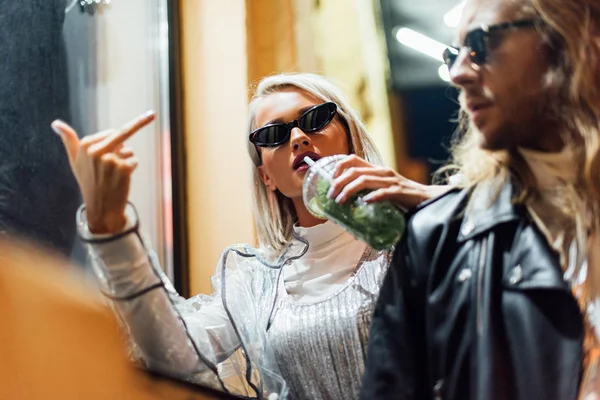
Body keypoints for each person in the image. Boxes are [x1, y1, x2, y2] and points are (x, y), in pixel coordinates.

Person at [51, 73, 441, 400]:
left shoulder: (415, 236)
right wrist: (110, 227)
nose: (299, 139)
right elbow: (174, 353)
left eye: (316, 118)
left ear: (350, 136)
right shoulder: (255, 282)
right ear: (266, 177)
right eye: (273, 134)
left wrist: (428, 200)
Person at [361, 0, 600, 399]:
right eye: (453, 54)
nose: (457, 74)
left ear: (569, 38)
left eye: (481, 42)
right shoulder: (437, 237)